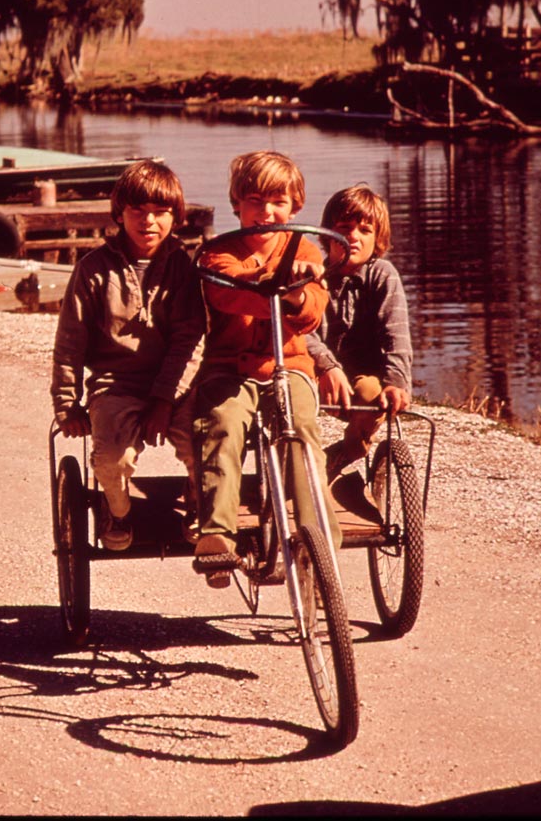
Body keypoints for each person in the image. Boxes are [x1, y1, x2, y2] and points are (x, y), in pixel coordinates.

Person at [192, 150, 341, 587]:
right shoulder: (219, 253)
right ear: (237, 204)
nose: (267, 212)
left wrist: (300, 293)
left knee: (300, 429)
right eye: (255, 201)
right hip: (230, 368)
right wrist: (276, 278)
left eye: (278, 202)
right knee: (221, 422)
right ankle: (217, 535)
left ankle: (319, 536)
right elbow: (228, 293)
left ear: (296, 207)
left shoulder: (305, 248)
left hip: (288, 364)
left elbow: (313, 310)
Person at [51, 159, 206, 551]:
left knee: (205, 442)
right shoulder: (92, 270)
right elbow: (70, 340)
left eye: (160, 212)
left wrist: (163, 400)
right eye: (138, 211)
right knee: (112, 461)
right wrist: (67, 402)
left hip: (176, 385)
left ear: (176, 216)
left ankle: (197, 502)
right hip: (116, 384)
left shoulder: (184, 269)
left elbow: (191, 340)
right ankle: (115, 509)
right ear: (120, 213)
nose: (149, 221)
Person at [307, 184, 413, 480]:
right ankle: (292, 466)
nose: (353, 236)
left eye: (365, 230)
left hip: (362, 377)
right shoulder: (313, 273)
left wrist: (396, 382)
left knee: (372, 393)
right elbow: (302, 330)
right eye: (343, 227)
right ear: (327, 234)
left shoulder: (382, 275)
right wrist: (325, 365)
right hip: (316, 371)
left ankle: (346, 452)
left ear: (377, 238)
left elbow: (397, 336)